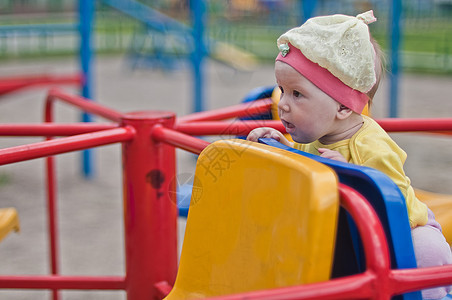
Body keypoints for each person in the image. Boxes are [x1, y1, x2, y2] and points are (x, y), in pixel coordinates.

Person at [246, 10, 452, 299]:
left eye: (297, 94)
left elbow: (394, 206)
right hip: (352, 239)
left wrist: (354, 177)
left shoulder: (372, 148)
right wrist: (285, 147)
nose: (283, 104)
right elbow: (308, 172)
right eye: (282, 90)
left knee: (428, 252)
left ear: (343, 107)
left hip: (405, 233)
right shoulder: (316, 134)